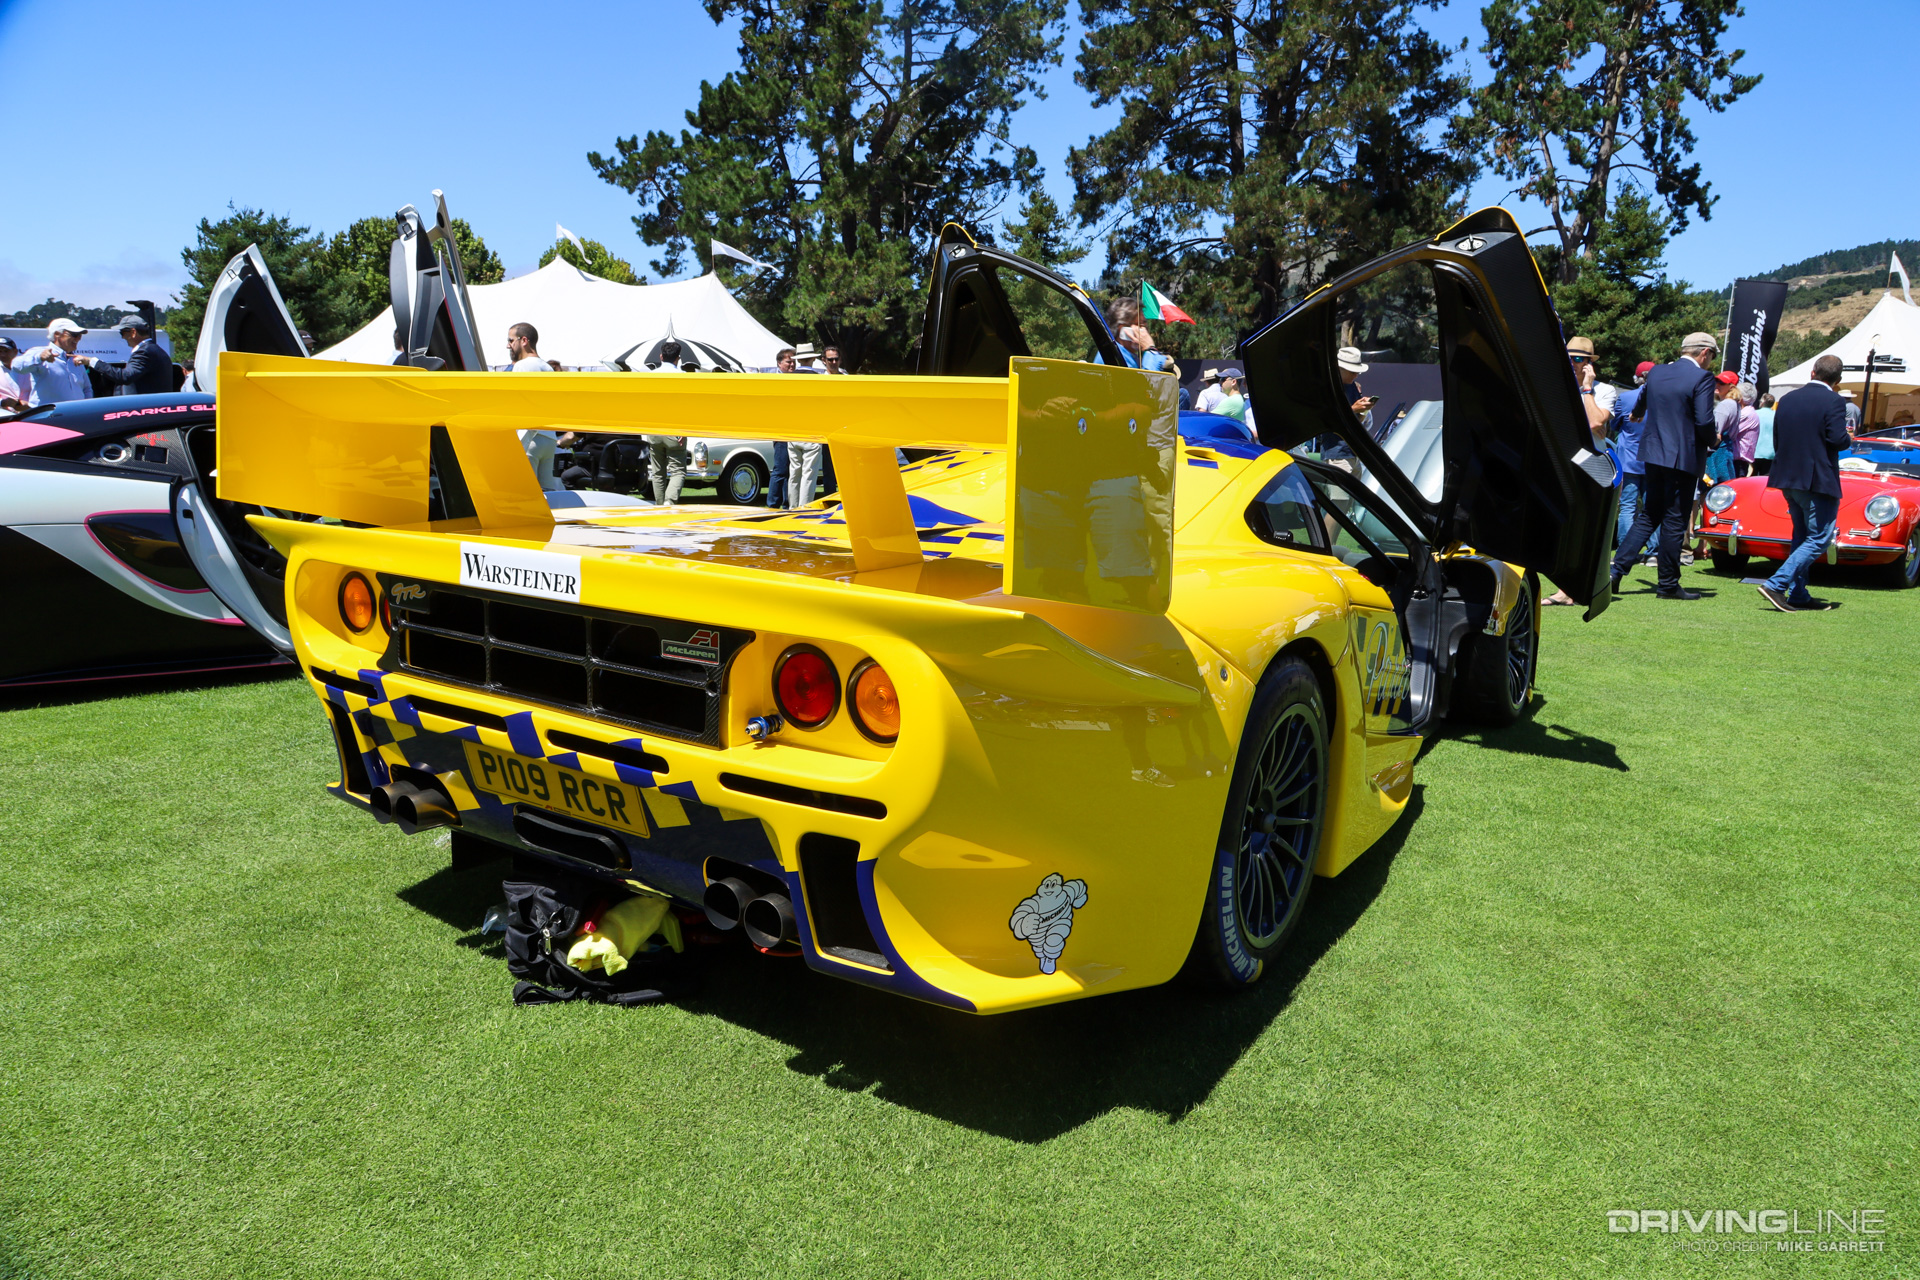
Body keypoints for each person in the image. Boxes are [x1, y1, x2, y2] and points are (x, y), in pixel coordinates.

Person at [1610, 332, 1718, 599]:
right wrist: (1713, 439)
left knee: (1649, 515)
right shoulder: (1702, 378)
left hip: (1653, 453)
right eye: (1713, 356)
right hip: (1682, 457)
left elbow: (1643, 397)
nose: (1711, 362)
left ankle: (1615, 572)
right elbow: (1704, 420)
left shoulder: (1657, 372)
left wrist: (1637, 413)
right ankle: (1668, 584)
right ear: (1704, 353)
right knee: (1674, 520)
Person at [1756, 355, 1852, 612]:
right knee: (1819, 538)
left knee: (1801, 536)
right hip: (1817, 479)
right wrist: (1849, 438)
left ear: (1812, 372)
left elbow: (1778, 439)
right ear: (1837, 380)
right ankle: (1776, 584)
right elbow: (1837, 439)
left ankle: (1798, 593)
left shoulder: (1787, 399)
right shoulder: (1834, 401)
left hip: (1787, 476)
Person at [1546, 337, 1617, 605]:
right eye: (1569, 359)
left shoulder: (1604, 390)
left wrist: (1587, 389)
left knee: (1588, 527)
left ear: (1589, 364)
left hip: (1592, 464)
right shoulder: (1556, 388)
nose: (1573, 364)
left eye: (1578, 359)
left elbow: (1596, 421)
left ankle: (1578, 589)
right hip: (1562, 461)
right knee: (1562, 525)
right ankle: (1564, 589)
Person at [503, 323, 562, 491]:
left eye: (511, 340)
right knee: (548, 493)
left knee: (524, 491)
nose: (508, 345)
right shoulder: (547, 367)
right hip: (549, 438)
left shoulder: (522, 365)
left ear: (524, 340)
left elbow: (518, 403)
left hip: (529, 436)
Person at [1610, 361, 1659, 559]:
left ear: (1637, 378)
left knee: (1627, 506)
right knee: (1652, 507)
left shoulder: (1625, 398)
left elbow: (1614, 424)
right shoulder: (1661, 399)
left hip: (1629, 459)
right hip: (1653, 459)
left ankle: (1625, 550)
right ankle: (1654, 551)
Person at [644, 339, 691, 504]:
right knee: (678, 471)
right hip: (675, 430)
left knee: (658, 472)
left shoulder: (650, 377)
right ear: (678, 358)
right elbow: (687, 406)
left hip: (654, 429)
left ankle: (659, 505)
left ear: (661, 357)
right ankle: (669, 502)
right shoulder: (684, 378)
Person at [80, 315, 173, 396]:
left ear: (133, 332)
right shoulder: (155, 350)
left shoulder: (144, 352)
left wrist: (92, 361)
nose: (122, 337)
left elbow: (125, 376)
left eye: (122, 333)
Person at [17, 318, 93, 405]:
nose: (78, 338)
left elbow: (87, 388)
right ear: (57, 334)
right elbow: (17, 366)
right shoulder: (39, 352)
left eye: (79, 335)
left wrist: (86, 407)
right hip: (48, 413)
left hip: (76, 412)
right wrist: (39, 358)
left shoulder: (77, 359)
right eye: (74, 334)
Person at [766, 347, 796, 507]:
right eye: (788, 362)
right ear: (779, 363)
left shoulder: (796, 379)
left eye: (794, 362)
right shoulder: (774, 381)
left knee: (790, 469)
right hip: (781, 431)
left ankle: (786, 504)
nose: (792, 365)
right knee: (780, 468)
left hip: (795, 430)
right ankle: (772, 504)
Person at [1729, 383, 1760, 478]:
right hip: (1738, 462)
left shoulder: (1746, 414)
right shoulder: (1748, 412)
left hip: (1738, 462)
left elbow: (1728, 430)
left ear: (1741, 397)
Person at [0, 337, 28, 411]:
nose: (2, 354)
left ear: (15, 352)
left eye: (6, 351)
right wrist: (2, 402)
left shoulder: (28, 368)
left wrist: (30, 404)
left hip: (32, 413)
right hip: (6, 415)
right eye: (0, 351)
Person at [1753, 392, 1777, 477]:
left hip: (1755, 451)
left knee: (1752, 478)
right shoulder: (1776, 415)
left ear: (1762, 402)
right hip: (1771, 452)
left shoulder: (1755, 413)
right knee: (1766, 479)